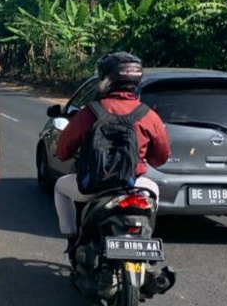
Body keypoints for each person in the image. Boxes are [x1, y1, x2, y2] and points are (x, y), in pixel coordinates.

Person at [54, 52, 170, 260]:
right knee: (153, 192)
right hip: (134, 185)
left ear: (105, 79)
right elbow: (160, 157)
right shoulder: (148, 115)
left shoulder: (89, 112)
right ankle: (145, 238)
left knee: (60, 187)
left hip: (93, 188)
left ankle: (72, 237)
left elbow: (63, 151)